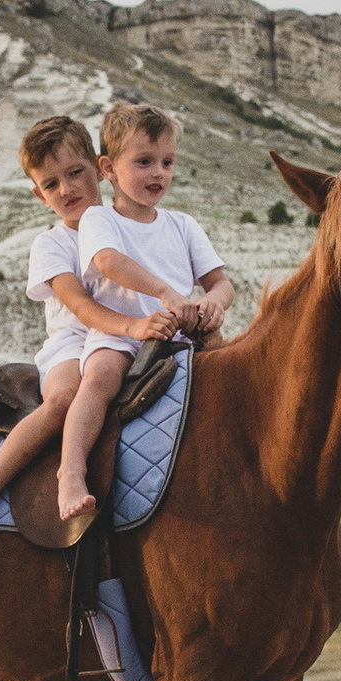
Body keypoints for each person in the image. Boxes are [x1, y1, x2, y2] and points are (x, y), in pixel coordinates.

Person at [0, 115, 177, 584]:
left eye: (75, 173)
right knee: (64, 400)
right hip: (75, 343)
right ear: (38, 194)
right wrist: (133, 325)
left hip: (133, 337)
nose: (68, 188)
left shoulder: (122, 223)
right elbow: (80, 305)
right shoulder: (50, 244)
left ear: (100, 168)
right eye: (51, 183)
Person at [61, 102, 233, 521]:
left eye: (167, 162)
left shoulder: (183, 225)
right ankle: (71, 472)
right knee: (100, 378)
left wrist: (212, 304)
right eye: (143, 162)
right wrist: (167, 293)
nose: (158, 173)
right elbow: (107, 262)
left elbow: (221, 282)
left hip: (180, 336)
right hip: (122, 335)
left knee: (236, 381)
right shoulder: (100, 219)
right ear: (108, 168)